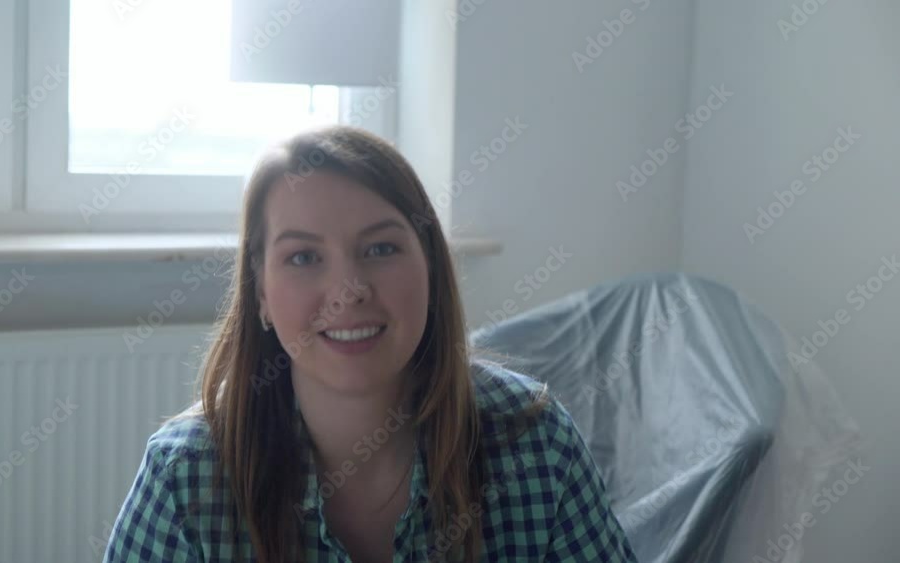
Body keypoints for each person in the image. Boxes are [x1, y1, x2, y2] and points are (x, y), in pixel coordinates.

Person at [103, 125, 637, 562]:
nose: (348, 292)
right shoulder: (186, 477)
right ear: (260, 292)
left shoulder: (537, 445)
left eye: (381, 248)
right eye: (303, 257)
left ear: (429, 266)